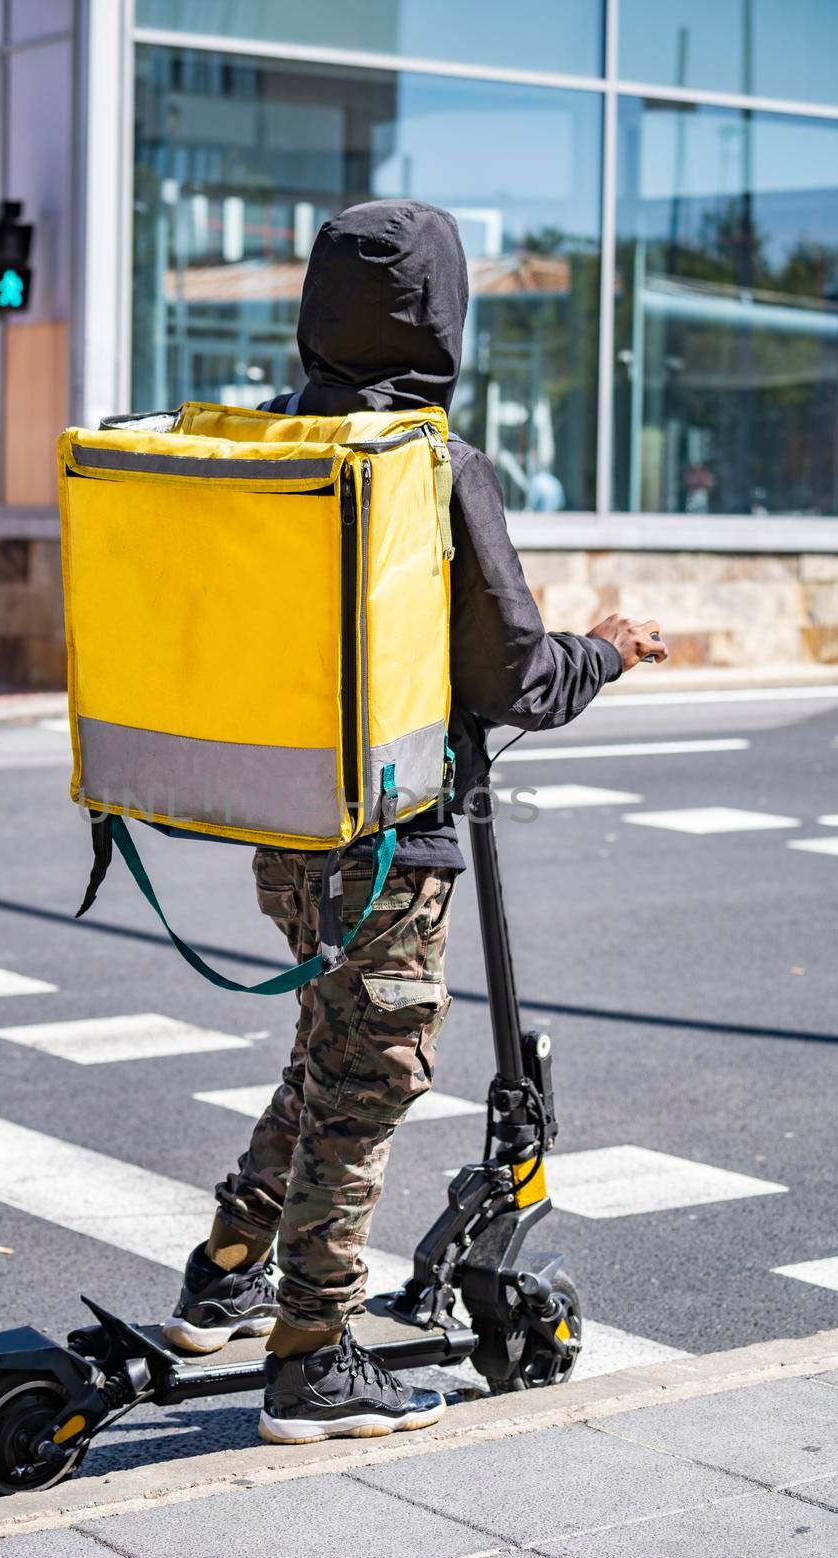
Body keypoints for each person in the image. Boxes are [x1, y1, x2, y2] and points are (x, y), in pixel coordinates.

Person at [162, 200, 669, 1445]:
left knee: (324, 1046)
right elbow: (511, 679)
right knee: (375, 1068)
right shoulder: (425, 464)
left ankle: (230, 1267)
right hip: (391, 833)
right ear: (440, 316)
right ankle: (314, 1356)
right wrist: (599, 650)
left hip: (280, 820)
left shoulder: (272, 447)